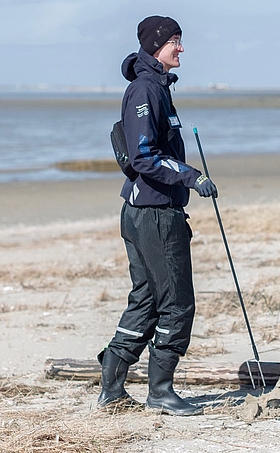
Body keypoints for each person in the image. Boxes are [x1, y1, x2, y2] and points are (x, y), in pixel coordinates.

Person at [97, 15, 217, 417]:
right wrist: (192, 176)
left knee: (147, 299)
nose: (181, 48)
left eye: (180, 41)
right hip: (153, 214)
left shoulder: (156, 86)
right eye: (175, 42)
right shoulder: (146, 89)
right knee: (177, 304)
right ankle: (161, 390)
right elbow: (143, 156)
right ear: (155, 47)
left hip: (144, 211)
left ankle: (111, 387)